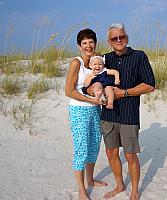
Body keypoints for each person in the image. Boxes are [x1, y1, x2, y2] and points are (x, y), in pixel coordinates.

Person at [86, 23, 155, 200]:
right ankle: (119, 186)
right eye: (114, 38)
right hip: (108, 115)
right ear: (109, 41)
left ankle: (134, 192)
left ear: (127, 38)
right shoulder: (104, 59)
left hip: (129, 115)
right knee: (111, 152)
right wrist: (92, 90)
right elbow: (89, 80)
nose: (119, 40)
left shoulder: (139, 56)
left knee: (130, 155)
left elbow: (149, 85)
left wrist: (123, 93)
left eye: (121, 37)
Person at [65, 28, 107, 200]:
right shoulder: (77, 63)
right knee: (81, 149)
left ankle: (90, 179)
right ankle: (82, 190)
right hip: (79, 110)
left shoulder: (99, 60)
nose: (88, 46)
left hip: (95, 109)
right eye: (84, 43)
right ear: (79, 46)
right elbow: (69, 91)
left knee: (94, 145)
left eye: (91, 42)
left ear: (95, 43)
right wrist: (91, 100)